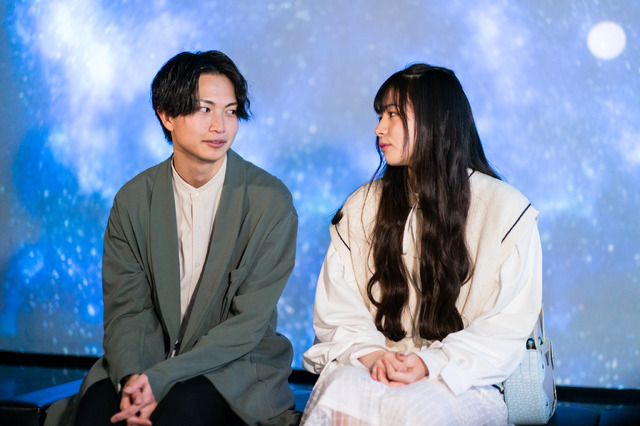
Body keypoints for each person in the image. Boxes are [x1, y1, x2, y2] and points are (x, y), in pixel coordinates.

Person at [45, 51, 300, 426]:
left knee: (183, 408)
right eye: (204, 109)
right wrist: (133, 379)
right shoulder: (133, 199)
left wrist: (162, 378)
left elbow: (247, 324)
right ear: (167, 115)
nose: (220, 126)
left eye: (230, 111)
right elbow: (127, 311)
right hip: (146, 359)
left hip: (234, 365)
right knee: (97, 411)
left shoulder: (269, 200)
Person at [301, 64, 542, 425]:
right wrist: (376, 357)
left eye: (393, 115)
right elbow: (339, 310)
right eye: (380, 115)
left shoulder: (505, 210)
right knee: (342, 390)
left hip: (459, 380)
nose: (379, 129)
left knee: (414, 409)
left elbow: (504, 327)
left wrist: (427, 364)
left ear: (436, 121)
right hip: (373, 366)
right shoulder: (362, 205)